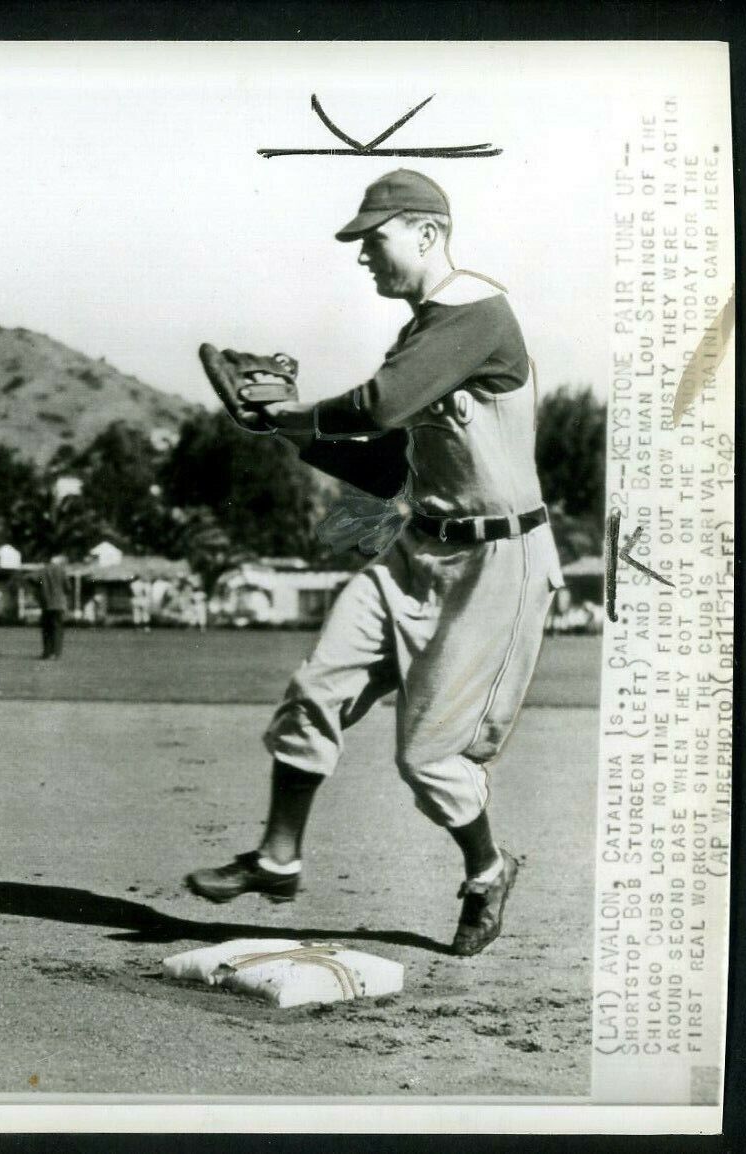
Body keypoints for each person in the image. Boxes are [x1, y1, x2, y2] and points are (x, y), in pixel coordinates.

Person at [184, 171, 564, 956]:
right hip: (416, 550)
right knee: (316, 688)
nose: (362, 255)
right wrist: (287, 435)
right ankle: (278, 859)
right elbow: (390, 465)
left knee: (427, 756)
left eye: (374, 237)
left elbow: (379, 406)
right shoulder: (425, 331)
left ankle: (489, 871)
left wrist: (291, 413)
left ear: (427, 234)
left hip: (498, 563)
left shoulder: (475, 313)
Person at [34, 555, 69, 659]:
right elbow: (68, 587)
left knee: (46, 629)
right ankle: (57, 653)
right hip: (58, 604)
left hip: (46, 604)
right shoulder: (61, 571)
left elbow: (30, 578)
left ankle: (47, 653)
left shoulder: (42, 571)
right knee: (58, 629)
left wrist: (39, 590)